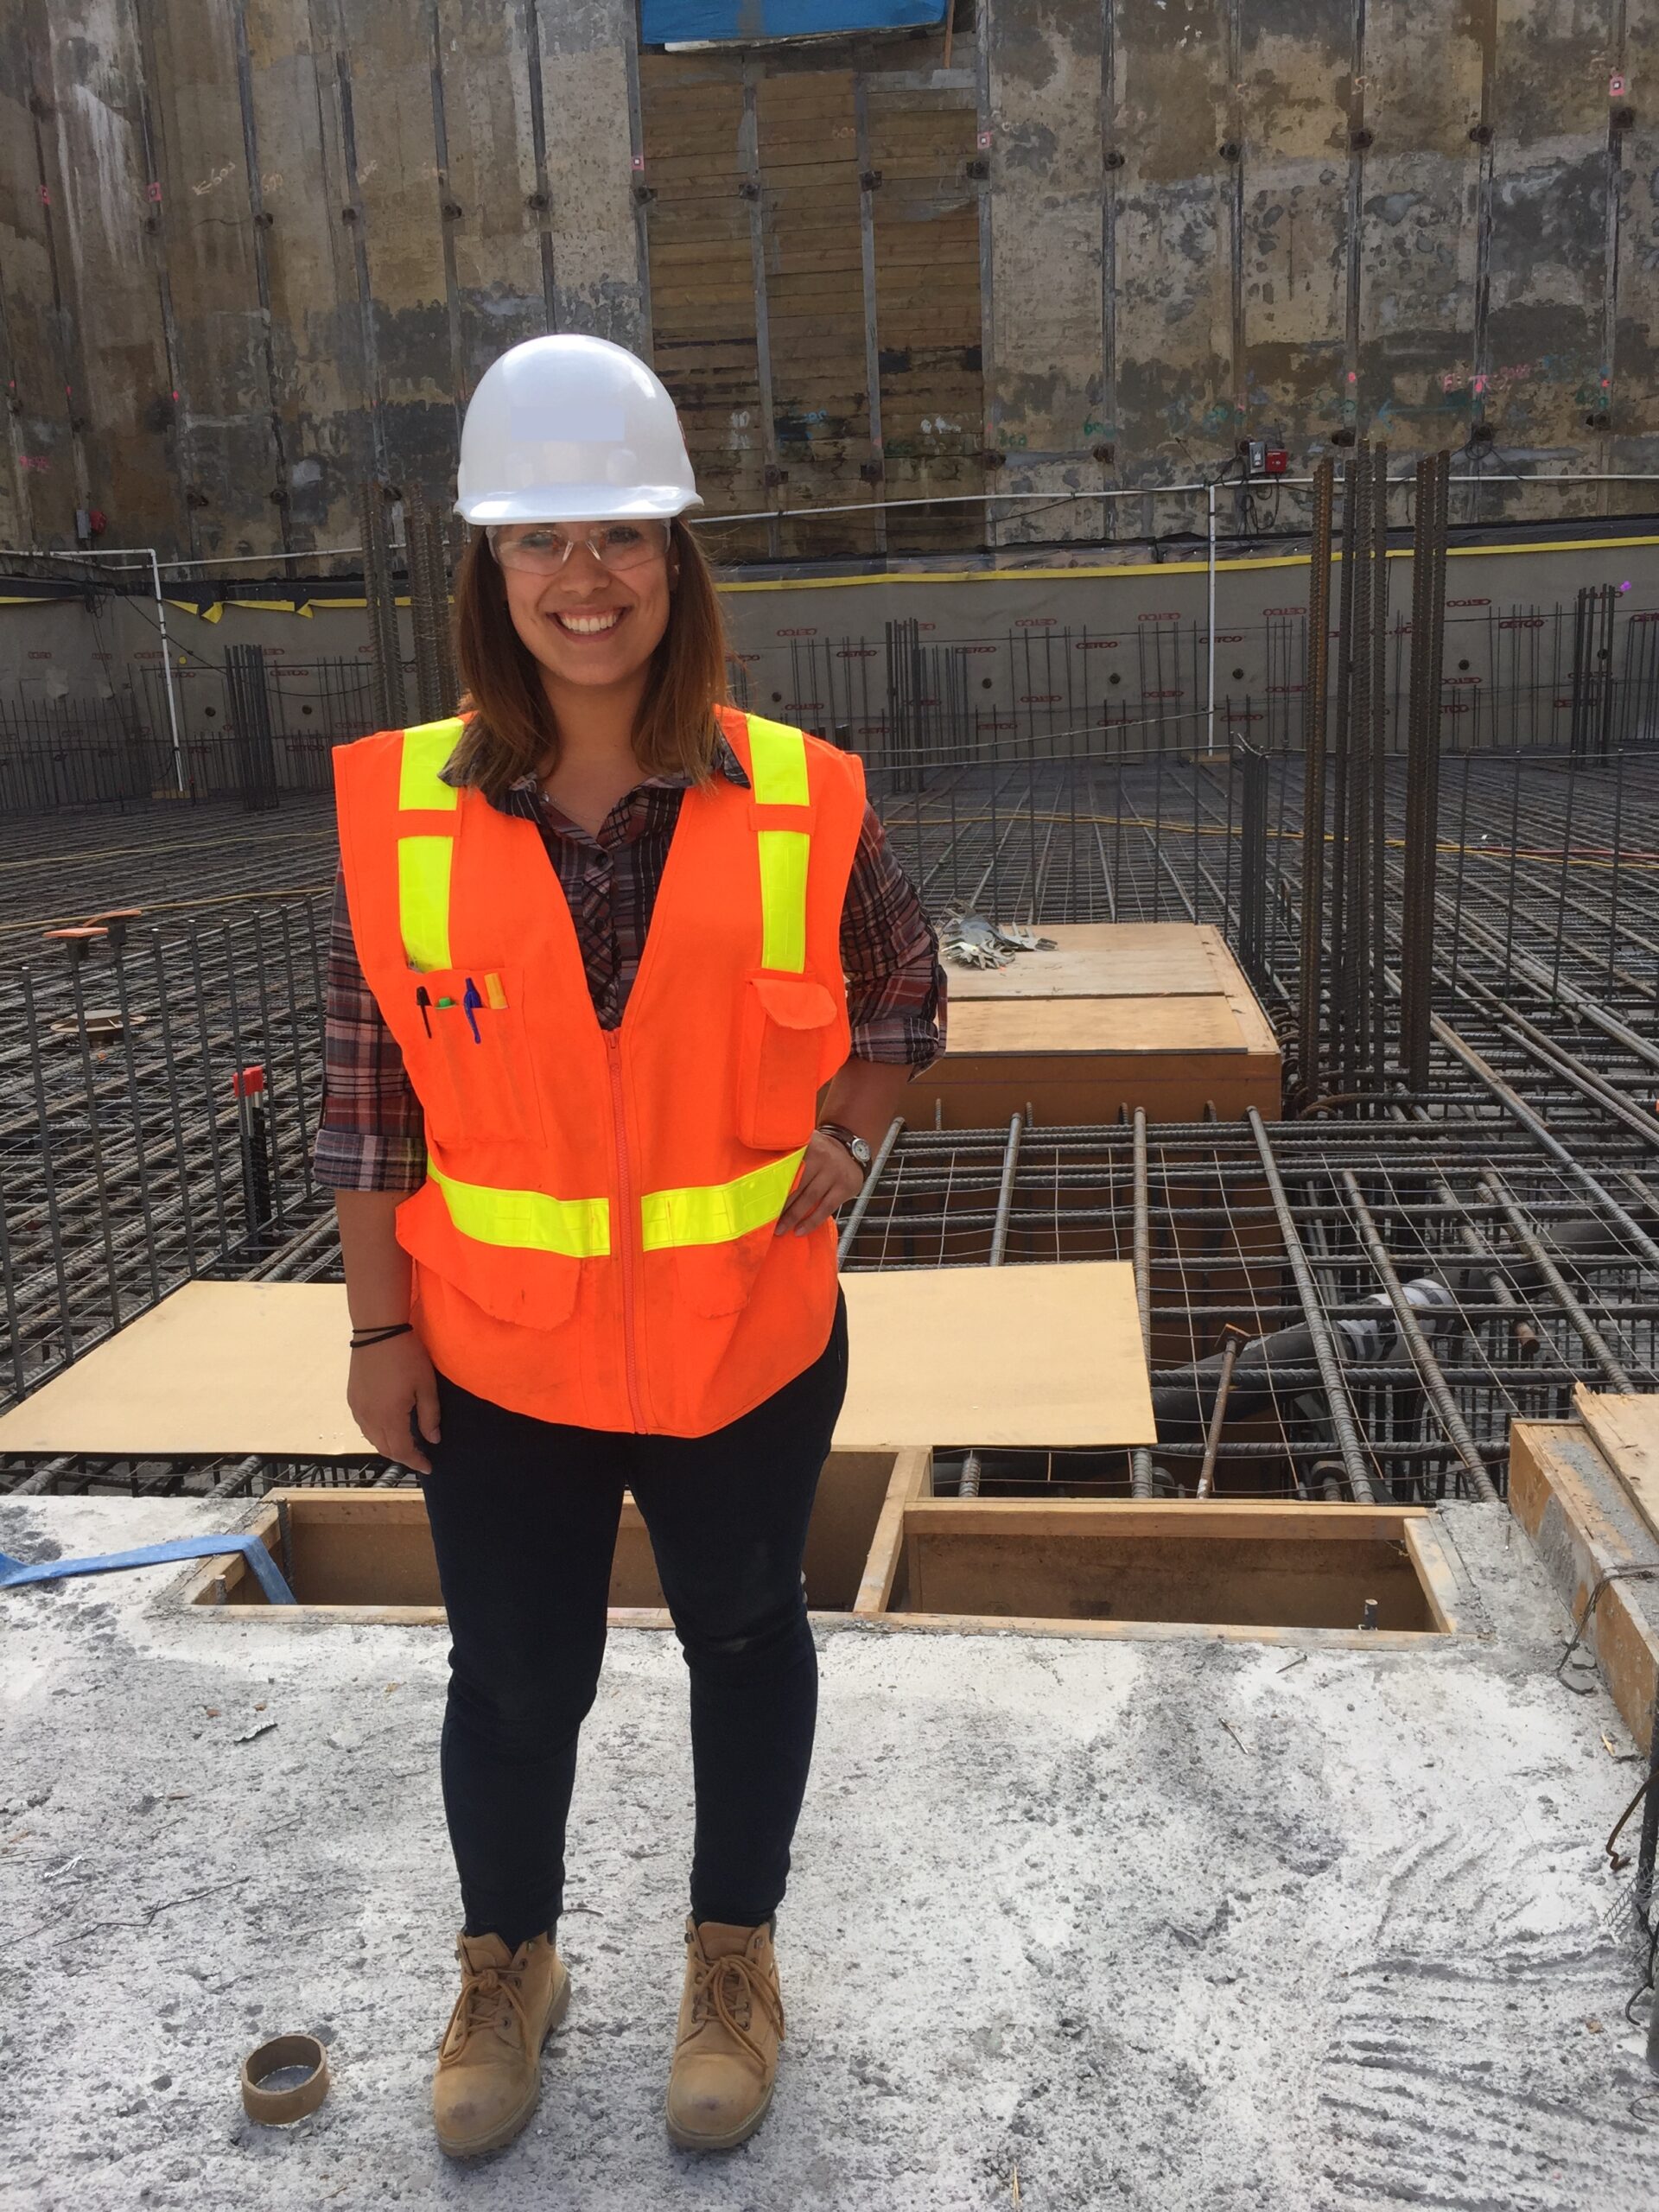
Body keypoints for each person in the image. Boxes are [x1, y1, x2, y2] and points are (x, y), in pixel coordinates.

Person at [316, 334, 944, 2158]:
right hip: (499, 1350)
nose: (582, 583)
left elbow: (906, 988)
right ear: (487, 575)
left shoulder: (800, 792)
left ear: (678, 561)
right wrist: (377, 1331)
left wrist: (848, 1133)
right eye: (539, 543)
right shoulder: (401, 810)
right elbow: (373, 1103)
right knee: (517, 1678)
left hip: (740, 1339)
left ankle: (730, 1961)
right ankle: (509, 1965)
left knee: (748, 1636)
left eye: (621, 538)